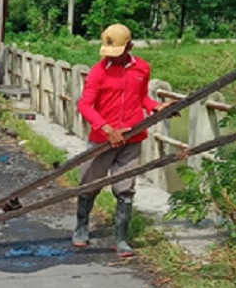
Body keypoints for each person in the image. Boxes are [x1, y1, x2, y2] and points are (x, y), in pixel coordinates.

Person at [72, 24, 169, 256]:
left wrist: (156, 107)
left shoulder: (142, 69)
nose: (113, 59)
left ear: (130, 47)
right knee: (89, 183)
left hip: (132, 136)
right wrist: (107, 128)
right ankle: (81, 228)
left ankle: (121, 238)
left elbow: (141, 97)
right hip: (102, 140)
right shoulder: (98, 72)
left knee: (125, 188)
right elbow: (84, 105)